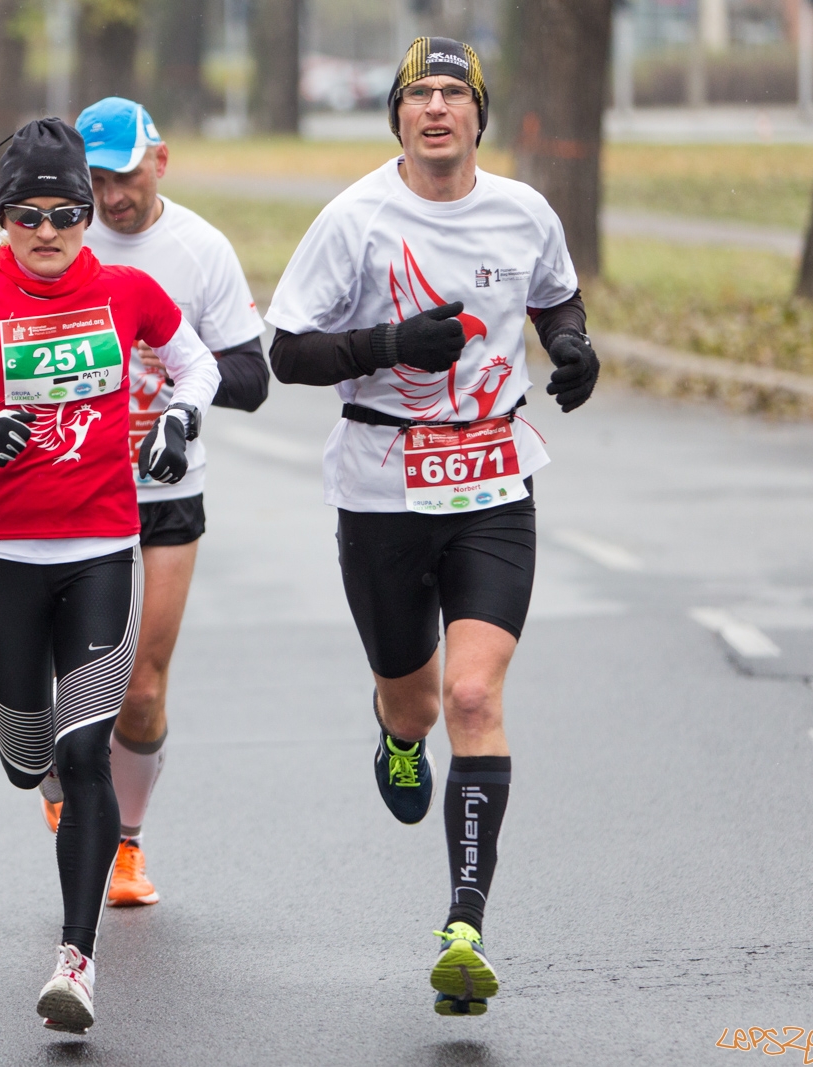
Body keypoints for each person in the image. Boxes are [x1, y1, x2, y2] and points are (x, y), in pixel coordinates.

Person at [264, 36, 599, 1018]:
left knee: (472, 689)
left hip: (493, 476)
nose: (438, 108)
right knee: (413, 701)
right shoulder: (354, 219)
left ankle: (463, 921)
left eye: (455, 93)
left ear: (478, 115)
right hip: (381, 488)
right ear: (399, 116)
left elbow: (554, 294)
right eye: (421, 94)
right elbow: (285, 351)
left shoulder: (522, 209)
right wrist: (387, 345)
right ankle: (392, 732)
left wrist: (573, 347)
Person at [0, 118, 219, 1034]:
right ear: (6, 216)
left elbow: (201, 363)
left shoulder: (130, 291)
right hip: (0, 558)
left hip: (102, 548)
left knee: (82, 751)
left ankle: (76, 959)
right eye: (29, 214)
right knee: (31, 761)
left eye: (67, 211)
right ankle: (46, 777)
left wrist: (180, 417)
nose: (50, 231)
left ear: (90, 211)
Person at [37, 96, 269, 908]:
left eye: (127, 175)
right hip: (69, 482)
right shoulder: (59, 238)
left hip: (167, 488)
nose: (113, 195)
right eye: (96, 179)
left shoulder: (200, 249)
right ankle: (67, 779)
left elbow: (252, 375)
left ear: (160, 161)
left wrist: (182, 389)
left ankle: (126, 846)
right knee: (70, 676)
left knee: (139, 683)